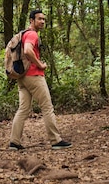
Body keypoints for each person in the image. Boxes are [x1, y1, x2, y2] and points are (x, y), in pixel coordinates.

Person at [9, 9, 72, 150]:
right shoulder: (32, 34)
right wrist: (40, 64)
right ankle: (56, 140)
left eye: (44, 19)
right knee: (47, 107)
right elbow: (27, 51)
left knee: (23, 109)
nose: (42, 21)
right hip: (33, 75)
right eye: (39, 19)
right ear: (31, 20)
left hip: (22, 77)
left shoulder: (24, 34)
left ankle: (14, 142)